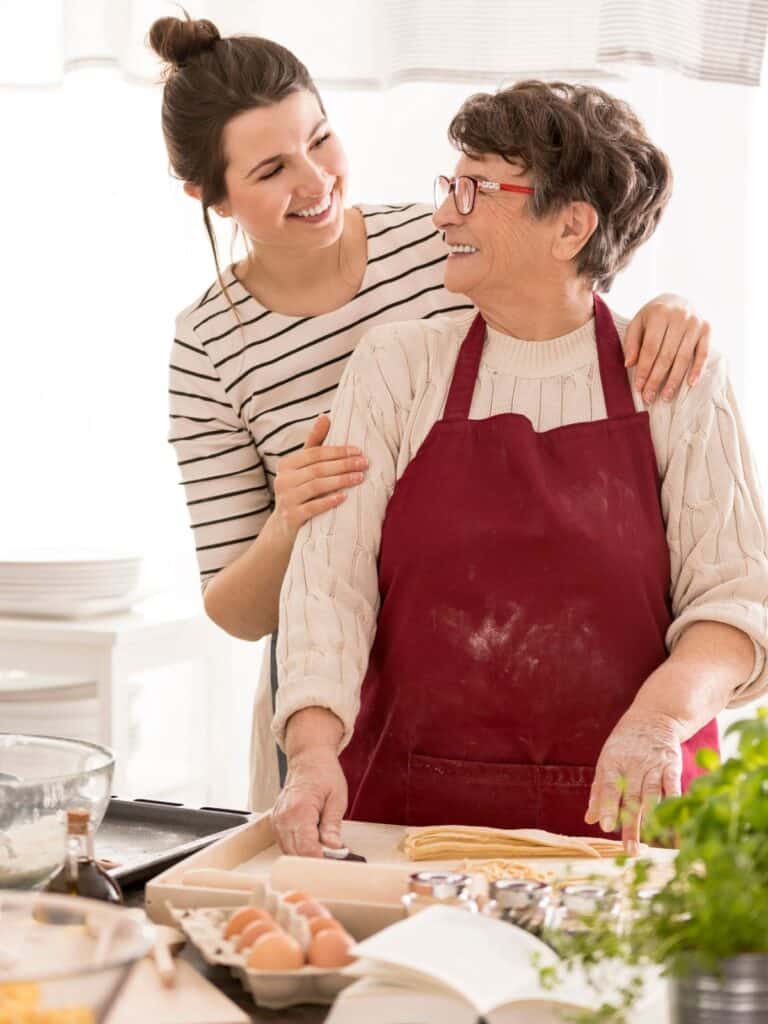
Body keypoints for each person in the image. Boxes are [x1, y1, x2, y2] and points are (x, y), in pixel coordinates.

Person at [151, 14, 712, 811]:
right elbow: (235, 607)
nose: (314, 183)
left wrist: (674, 307)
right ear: (208, 196)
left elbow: (577, 286)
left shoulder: (441, 240)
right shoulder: (211, 342)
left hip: (514, 675)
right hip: (336, 700)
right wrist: (292, 520)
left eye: (322, 139)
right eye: (272, 169)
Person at [272, 81, 768, 856]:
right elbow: (328, 588)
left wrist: (661, 720)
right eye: (450, 186)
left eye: (474, 190)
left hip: (626, 833)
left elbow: (737, 606)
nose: (444, 213)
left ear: (570, 226)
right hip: (408, 828)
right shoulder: (398, 367)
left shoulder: (672, 374)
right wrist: (308, 754)